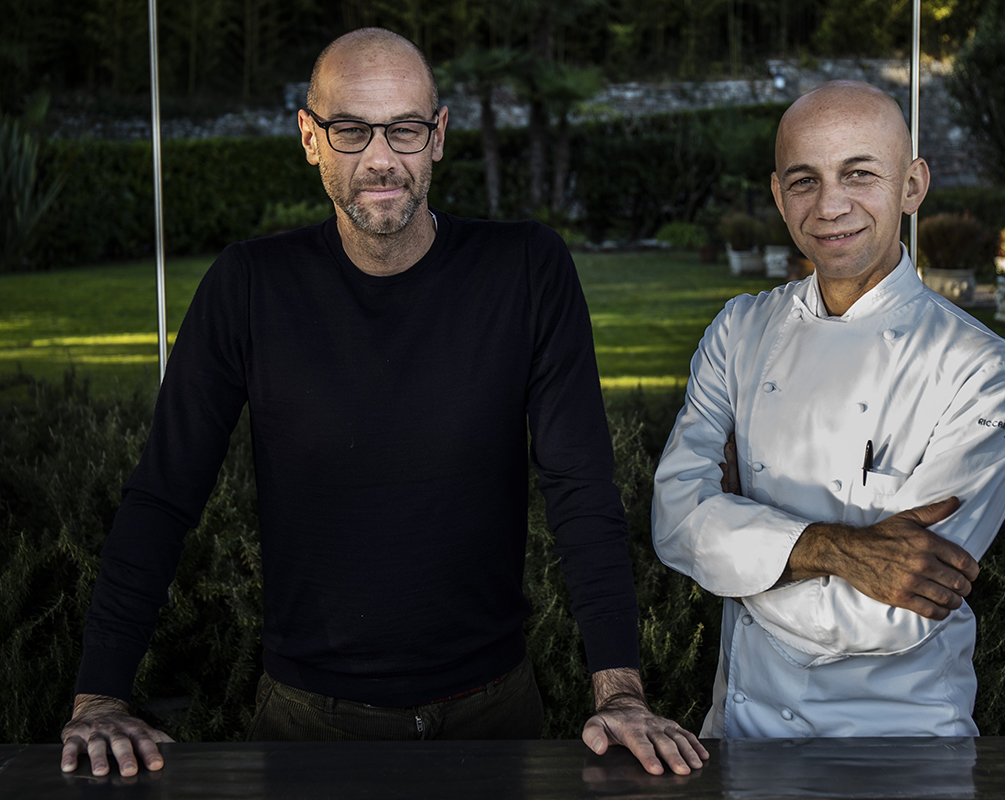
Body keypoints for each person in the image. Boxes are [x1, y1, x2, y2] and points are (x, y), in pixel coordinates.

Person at [60, 28, 707, 778]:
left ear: (437, 136)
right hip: (307, 722)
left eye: (403, 129)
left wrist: (620, 691)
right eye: (350, 130)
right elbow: (164, 495)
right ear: (310, 137)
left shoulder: (527, 269)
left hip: (495, 715)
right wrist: (98, 697)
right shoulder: (248, 287)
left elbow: (582, 488)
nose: (379, 159)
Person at [652, 81, 1005, 738]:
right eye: (805, 181)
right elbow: (674, 520)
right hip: (740, 737)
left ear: (912, 186)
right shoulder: (740, 330)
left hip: (897, 746)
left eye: (859, 174)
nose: (830, 205)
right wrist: (845, 550)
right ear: (777, 196)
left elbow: (897, 612)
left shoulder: (980, 368)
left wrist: (737, 543)